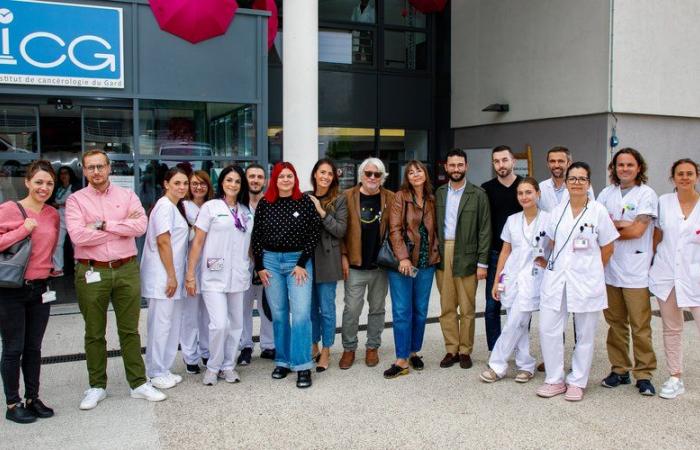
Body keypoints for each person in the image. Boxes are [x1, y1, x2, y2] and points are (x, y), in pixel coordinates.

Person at [66, 149, 166, 411]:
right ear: (84, 170)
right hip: (92, 270)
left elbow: (140, 227)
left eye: (101, 166)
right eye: (91, 168)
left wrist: (99, 225)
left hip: (126, 269)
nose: (96, 172)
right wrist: (119, 226)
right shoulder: (76, 200)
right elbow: (78, 237)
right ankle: (97, 386)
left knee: (130, 330)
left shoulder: (127, 195)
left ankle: (138, 383)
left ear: (109, 168)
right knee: (94, 332)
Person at [536, 162, 618, 402]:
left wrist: (591, 270)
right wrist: (543, 259)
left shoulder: (598, 211)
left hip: (586, 281)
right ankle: (554, 379)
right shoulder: (557, 211)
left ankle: (577, 381)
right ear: (567, 182)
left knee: (585, 333)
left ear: (589, 183)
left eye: (582, 179)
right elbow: (549, 242)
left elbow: (608, 246)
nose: (576, 182)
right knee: (548, 329)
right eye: (573, 178)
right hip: (557, 278)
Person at [252, 162, 321, 388]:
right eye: (281, 176)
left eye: (289, 176)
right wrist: (260, 266)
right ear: (275, 179)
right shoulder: (265, 203)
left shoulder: (304, 202)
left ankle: (302, 366)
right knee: (280, 314)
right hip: (270, 264)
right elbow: (257, 237)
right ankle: (282, 361)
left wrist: (302, 262)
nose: (285, 180)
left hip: (298, 263)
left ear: (295, 178)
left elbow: (314, 234)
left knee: (301, 314)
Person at [0, 160, 59, 424]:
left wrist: (50, 270)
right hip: (11, 290)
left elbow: (48, 248)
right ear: (27, 182)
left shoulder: (52, 214)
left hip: (40, 288)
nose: (44, 187)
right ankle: (12, 404)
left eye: (49, 183)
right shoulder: (11, 210)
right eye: (39, 182)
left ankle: (32, 398)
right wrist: (22, 230)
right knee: (13, 348)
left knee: (34, 348)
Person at [597, 148, 658, 396]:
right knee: (615, 324)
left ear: (639, 168)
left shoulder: (647, 195)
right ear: (614, 168)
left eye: (629, 165)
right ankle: (619, 369)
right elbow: (596, 229)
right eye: (620, 165)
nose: (624, 169)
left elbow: (637, 232)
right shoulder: (605, 194)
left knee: (640, 325)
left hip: (636, 271)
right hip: (610, 270)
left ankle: (643, 374)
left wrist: (616, 226)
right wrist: (622, 224)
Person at [185, 165, 252, 386]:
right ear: (222, 183)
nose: (233, 185)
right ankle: (213, 367)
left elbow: (249, 245)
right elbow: (197, 242)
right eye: (229, 180)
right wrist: (190, 275)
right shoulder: (210, 207)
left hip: (238, 275)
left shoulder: (245, 211)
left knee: (236, 325)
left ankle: (228, 366)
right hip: (214, 275)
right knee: (219, 324)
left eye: (237, 181)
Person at [480, 177, 550, 384]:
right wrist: (496, 280)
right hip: (511, 277)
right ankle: (525, 365)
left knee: (515, 321)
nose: (524, 197)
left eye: (528, 192)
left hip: (534, 277)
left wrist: (547, 262)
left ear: (538, 194)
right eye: (520, 193)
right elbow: (505, 251)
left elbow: (556, 247)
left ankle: (497, 365)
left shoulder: (549, 219)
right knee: (517, 322)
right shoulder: (512, 220)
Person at [649, 158, 700, 400]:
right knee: (672, 328)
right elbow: (656, 236)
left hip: (695, 276)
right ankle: (675, 376)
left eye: (690, 173)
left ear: (697, 177)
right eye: (680, 174)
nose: (685, 178)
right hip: (666, 273)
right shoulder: (663, 202)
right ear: (673, 178)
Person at [384, 160, 440, 379]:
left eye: (419, 171)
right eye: (411, 172)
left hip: (427, 263)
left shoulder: (432, 199)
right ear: (406, 177)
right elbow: (394, 229)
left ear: (425, 174)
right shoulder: (400, 197)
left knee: (420, 310)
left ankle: (414, 351)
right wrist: (403, 258)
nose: (415, 175)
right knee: (401, 311)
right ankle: (401, 359)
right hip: (403, 264)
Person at [435, 149, 491, 369]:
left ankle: (465, 350)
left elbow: (485, 230)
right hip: (444, 251)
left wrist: (482, 263)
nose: (456, 169)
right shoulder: (439, 193)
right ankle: (451, 349)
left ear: (466, 166)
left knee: (467, 307)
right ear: (446, 167)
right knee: (447, 305)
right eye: (452, 165)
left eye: (460, 165)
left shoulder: (478, 194)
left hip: (467, 253)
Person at [339, 158, 395, 370]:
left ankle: (372, 346)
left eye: (377, 174)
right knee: (352, 309)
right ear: (361, 174)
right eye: (368, 173)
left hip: (380, 265)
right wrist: (343, 255)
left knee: (378, 309)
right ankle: (349, 348)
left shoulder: (390, 197)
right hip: (355, 264)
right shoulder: (347, 196)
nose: (372, 177)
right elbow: (340, 231)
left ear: (382, 177)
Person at [141, 168, 190, 390]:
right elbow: (163, 242)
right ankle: (155, 371)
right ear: (166, 183)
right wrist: (171, 275)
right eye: (177, 183)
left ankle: (164, 368)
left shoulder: (174, 207)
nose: (182, 187)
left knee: (171, 324)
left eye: (185, 183)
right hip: (163, 276)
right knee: (160, 325)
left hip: (174, 275)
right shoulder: (163, 207)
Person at [481, 145, 522, 351]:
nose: (501, 165)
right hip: (496, 254)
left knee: (520, 305)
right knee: (492, 304)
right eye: (496, 161)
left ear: (513, 161)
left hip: (521, 256)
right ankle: (495, 350)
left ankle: (518, 348)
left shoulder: (524, 187)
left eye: (504, 160)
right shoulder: (486, 189)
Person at [307, 159, 347, 372]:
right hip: (306, 259)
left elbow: (340, 230)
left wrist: (321, 211)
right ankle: (313, 344)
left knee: (327, 308)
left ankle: (327, 349)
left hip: (328, 259)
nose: (325, 177)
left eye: (330, 174)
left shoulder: (339, 199)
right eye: (322, 172)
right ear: (315, 174)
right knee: (309, 307)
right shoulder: (304, 196)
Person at [237, 164, 276, 366]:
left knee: (267, 305)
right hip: (242, 264)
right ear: (246, 179)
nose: (255, 180)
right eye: (251, 176)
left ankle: (269, 345)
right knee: (242, 307)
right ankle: (245, 346)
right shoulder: (238, 206)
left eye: (259, 177)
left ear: (265, 180)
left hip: (266, 264)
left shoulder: (270, 204)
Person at [180, 170, 213, 374]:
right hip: (190, 264)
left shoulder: (213, 206)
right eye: (194, 183)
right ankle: (190, 356)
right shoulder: (183, 207)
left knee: (209, 314)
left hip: (210, 266)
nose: (198, 187)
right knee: (190, 315)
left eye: (202, 183)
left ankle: (207, 351)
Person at [539, 146, 595, 213]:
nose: (556, 165)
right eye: (552, 161)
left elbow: (591, 210)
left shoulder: (581, 185)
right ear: (548, 164)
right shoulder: (541, 187)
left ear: (569, 163)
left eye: (560, 161)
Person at [50, 166, 79, 277]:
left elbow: (76, 203)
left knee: (76, 243)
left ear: (70, 174)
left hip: (72, 217)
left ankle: (78, 267)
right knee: (58, 243)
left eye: (66, 173)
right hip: (59, 217)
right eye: (61, 173)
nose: (63, 175)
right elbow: (51, 201)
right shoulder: (58, 188)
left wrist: (60, 204)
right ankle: (58, 268)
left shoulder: (75, 187)